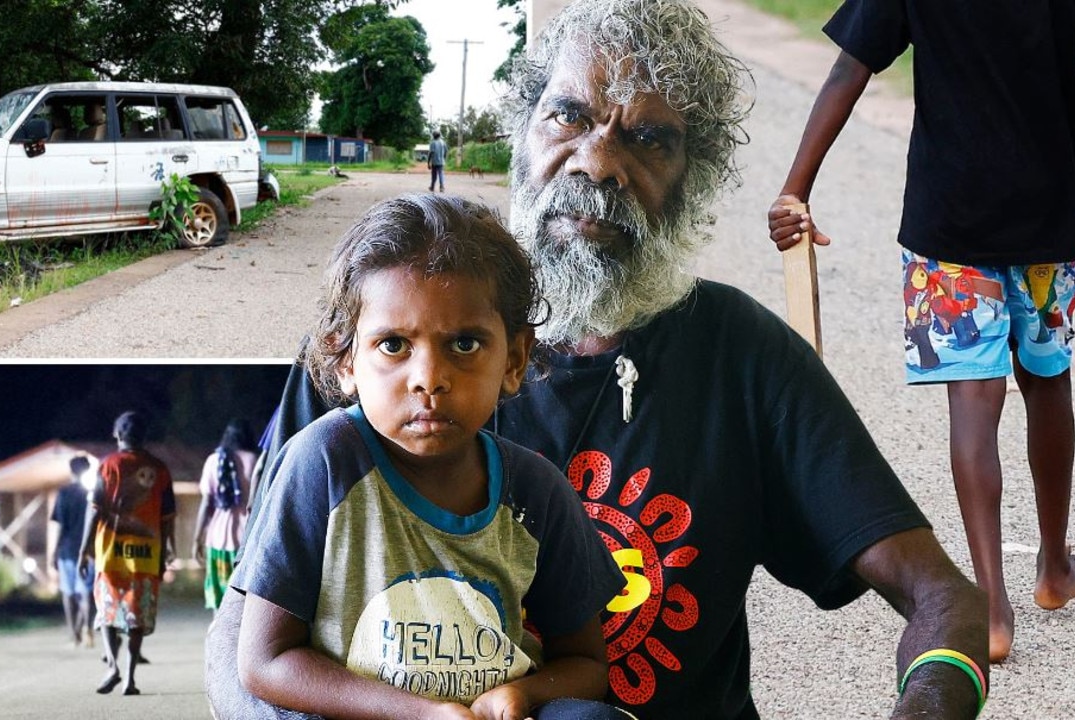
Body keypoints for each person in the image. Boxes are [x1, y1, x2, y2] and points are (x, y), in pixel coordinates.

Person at [208, 1, 989, 718]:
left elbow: (944, 598)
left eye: (650, 140)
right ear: (521, 133)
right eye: (568, 117)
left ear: (696, 178)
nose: (599, 163)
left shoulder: (746, 358)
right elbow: (246, 642)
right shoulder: (382, 348)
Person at [767, 0, 1075, 663]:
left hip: (948, 220)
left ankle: (993, 611)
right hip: (1047, 218)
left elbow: (850, 66)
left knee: (973, 403)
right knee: (1047, 381)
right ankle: (1055, 567)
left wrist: (795, 188)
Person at [231, 193, 629, 720]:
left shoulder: (534, 490)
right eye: (393, 345)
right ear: (346, 360)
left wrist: (521, 695)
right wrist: (420, 713)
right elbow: (264, 662)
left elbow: (585, 663)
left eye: (464, 344)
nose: (429, 378)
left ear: (514, 360)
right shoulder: (323, 463)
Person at [81, 410, 176, 696]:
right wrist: (167, 550)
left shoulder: (107, 465)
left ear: (117, 434)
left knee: (108, 610)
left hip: (109, 554)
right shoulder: (160, 469)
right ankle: (130, 678)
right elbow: (168, 516)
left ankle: (112, 665)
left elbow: (94, 510)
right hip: (146, 555)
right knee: (136, 615)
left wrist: (83, 550)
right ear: (143, 436)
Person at [194, 419, 258, 612]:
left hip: (217, 539)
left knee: (218, 598)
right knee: (242, 601)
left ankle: (219, 636)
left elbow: (206, 503)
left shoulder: (214, 460)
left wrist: (197, 539)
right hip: (247, 540)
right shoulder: (254, 460)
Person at [50, 455, 95, 648]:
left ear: (71, 472)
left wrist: (54, 551)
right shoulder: (93, 493)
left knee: (68, 593)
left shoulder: (63, 493)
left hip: (67, 550)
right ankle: (88, 631)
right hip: (90, 551)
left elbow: (59, 525)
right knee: (86, 593)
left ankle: (74, 635)